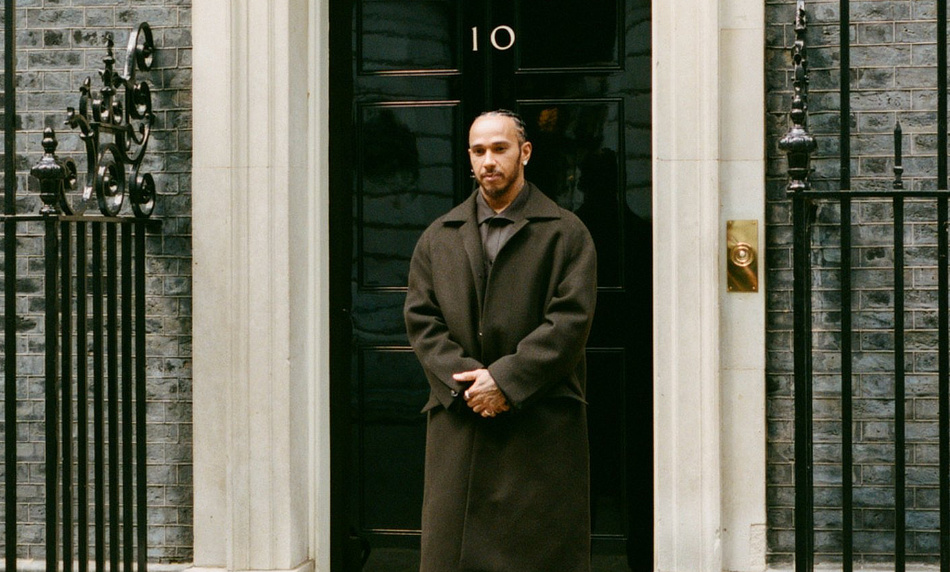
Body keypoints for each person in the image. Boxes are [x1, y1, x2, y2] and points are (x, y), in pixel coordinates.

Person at [404, 109, 598, 571]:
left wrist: (506, 382)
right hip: (462, 422)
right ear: (469, 160)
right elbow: (422, 319)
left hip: (540, 424)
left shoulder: (567, 233)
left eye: (499, 148)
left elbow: (569, 322)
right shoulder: (438, 237)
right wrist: (473, 386)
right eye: (478, 151)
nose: (488, 160)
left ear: (525, 153)